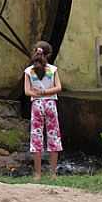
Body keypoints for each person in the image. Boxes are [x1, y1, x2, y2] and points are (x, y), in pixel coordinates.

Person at [24, 40, 62, 180]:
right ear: (49, 54)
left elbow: (27, 91)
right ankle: (53, 173)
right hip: (50, 103)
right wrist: (47, 92)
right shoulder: (53, 70)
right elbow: (58, 87)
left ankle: (38, 174)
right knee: (53, 138)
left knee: (36, 138)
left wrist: (38, 93)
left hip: (36, 105)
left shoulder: (29, 71)